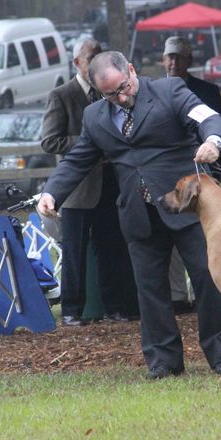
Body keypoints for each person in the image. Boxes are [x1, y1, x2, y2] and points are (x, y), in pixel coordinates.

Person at [37, 51, 221, 379]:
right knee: (149, 289)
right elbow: (77, 159)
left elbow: (207, 116)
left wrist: (214, 141)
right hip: (137, 213)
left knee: (207, 279)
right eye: (110, 94)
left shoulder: (169, 90)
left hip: (185, 206)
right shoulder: (95, 116)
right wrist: (51, 192)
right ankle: (163, 362)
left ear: (131, 68)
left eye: (124, 87)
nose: (121, 97)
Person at [40, 38, 137, 326]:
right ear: (77, 63)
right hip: (78, 190)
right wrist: (91, 143)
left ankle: (114, 307)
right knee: (74, 251)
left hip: (111, 184)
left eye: (100, 56)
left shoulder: (110, 93)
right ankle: (72, 310)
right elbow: (49, 140)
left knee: (111, 248)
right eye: (90, 57)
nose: (95, 62)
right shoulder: (62, 95)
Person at [161, 36, 221, 313]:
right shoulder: (155, 90)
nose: (174, 62)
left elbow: (217, 126)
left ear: (189, 61)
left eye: (180, 57)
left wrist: (217, 169)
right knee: (171, 237)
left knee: (206, 237)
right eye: (170, 57)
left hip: (201, 174)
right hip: (170, 176)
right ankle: (177, 295)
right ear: (163, 60)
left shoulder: (207, 91)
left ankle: (209, 292)